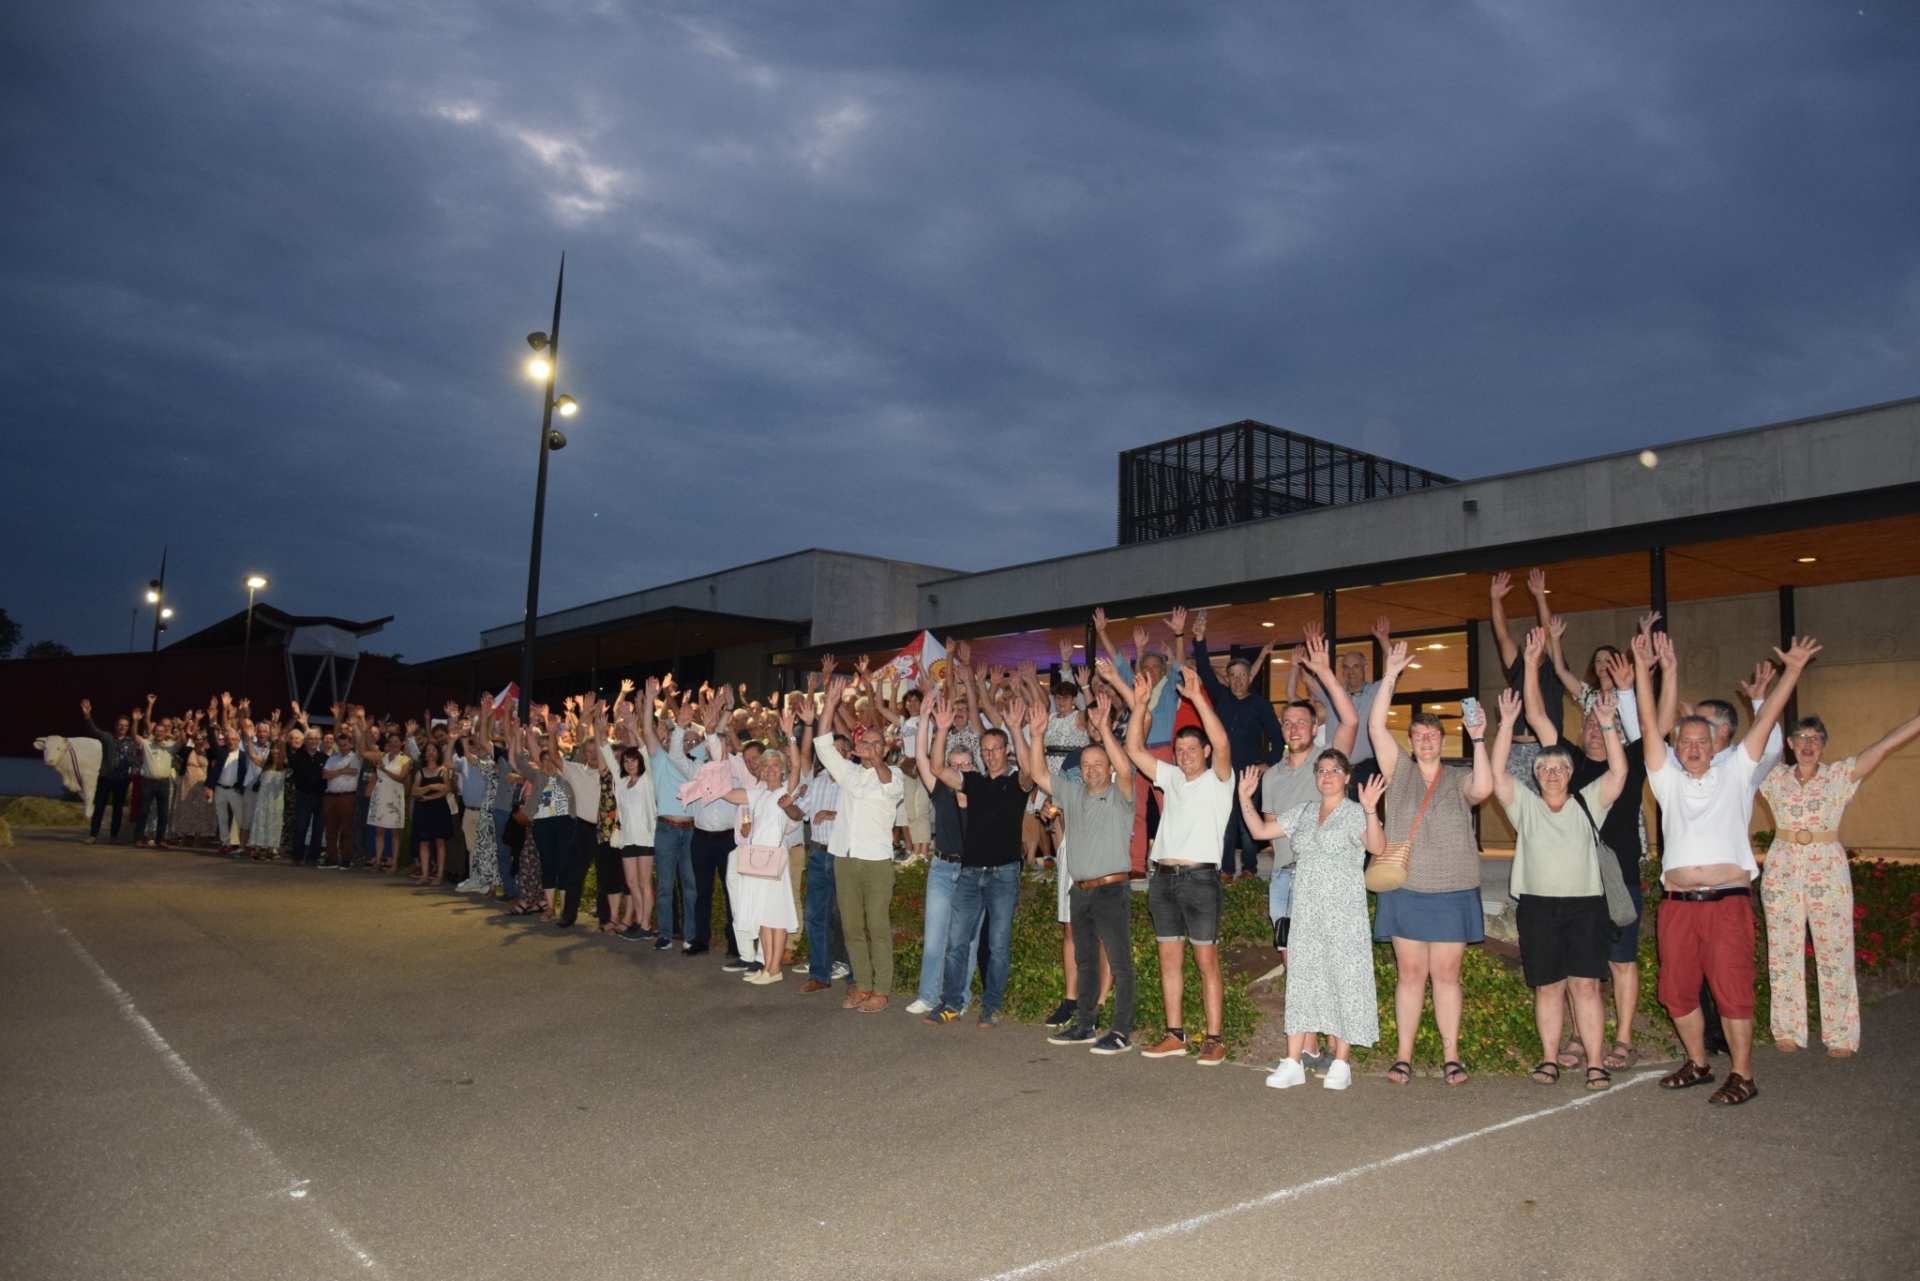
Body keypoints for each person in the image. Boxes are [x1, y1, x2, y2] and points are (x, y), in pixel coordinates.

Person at [1633, 629, 1819, 1106]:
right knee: (1676, 990)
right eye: (1685, 741)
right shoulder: (1666, 780)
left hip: (1727, 904)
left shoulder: (1736, 774)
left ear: (1717, 744)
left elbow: (1769, 720)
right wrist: (1645, 670)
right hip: (1677, 905)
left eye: (1702, 740)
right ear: (1676, 747)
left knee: (1732, 988)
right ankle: (1697, 1062)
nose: (1693, 747)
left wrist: (1793, 670)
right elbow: (1650, 727)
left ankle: (1743, 1075)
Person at [1491, 661, 1631, 1092]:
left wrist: (1608, 726)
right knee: (1548, 988)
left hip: (1585, 907)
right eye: (1544, 769)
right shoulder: (1525, 807)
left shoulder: (1588, 801)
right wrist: (1506, 724)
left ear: (1570, 775)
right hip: (1537, 907)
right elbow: (1496, 775)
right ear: (1535, 775)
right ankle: (1550, 1059)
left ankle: (1594, 1063)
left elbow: (1620, 773)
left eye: (1559, 769)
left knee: (1585, 986)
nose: (1552, 773)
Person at [1369, 639, 1495, 1086]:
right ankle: (1403, 1056)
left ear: (1443, 739)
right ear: (1412, 741)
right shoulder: (1398, 771)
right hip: (1406, 887)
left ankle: (1451, 1055)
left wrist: (1479, 737)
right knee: (1410, 975)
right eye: (1418, 735)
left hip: (1453, 888)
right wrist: (1391, 675)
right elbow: (1375, 726)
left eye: (1432, 735)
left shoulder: (1459, 777)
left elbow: (1485, 789)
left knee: (1446, 976)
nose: (1424, 741)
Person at [1758, 707, 1920, 1057]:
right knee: (1783, 951)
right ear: (1789, 743)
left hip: (1827, 873)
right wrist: (1758, 703)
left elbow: (1882, 747)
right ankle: (1787, 1028)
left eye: (1815, 739)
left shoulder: (1840, 776)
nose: (1808, 744)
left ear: (1825, 745)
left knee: (1836, 952)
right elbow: (1747, 747)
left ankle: (1841, 1035)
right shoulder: (1773, 778)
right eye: (1801, 737)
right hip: (1783, 869)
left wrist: (1917, 721)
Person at [1524, 644, 1650, 1072]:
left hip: (1620, 876)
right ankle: (1579, 1036)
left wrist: (1643, 681)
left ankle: (1624, 1038)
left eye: (1604, 726)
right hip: (1578, 884)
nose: (1596, 731)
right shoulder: (1569, 765)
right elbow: (1539, 718)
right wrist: (1530, 665)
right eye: (1590, 726)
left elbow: (1654, 726)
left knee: (1621, 962)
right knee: (1583, 968)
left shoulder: (1630, 761)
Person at [1238, 753, 1387, 1090]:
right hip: (1305, 913)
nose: (1328, 776)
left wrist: (1370, 809)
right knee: (1302, 981)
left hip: (1343, 915)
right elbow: (1261, 829)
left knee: (1343, 981)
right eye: (1322, 770)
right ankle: (1293, 1061)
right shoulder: (1304, 812)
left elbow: (1377, 846)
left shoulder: (1353, 813)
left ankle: (1341, 1063)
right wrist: (1246, 798)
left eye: (1336, 770)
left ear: (1347, 777)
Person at [1120, 664, 1235, 1065]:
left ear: (1203, 753)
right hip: (1163, 879)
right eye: (1180, 750)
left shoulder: (1220, 780)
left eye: (1192, 750)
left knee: (1206, 961)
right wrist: (1139, 706)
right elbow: (1134, 751)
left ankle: (1214, 1038)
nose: (1185, 756)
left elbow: (1221, 742)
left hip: (1201, 879)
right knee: (1169, 959)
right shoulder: (1169, 777)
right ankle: (1176, 1034)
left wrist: (1196, 696)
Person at [1258, 629, 1360, 1072]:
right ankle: (1311, 1047)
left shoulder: (1328, 762)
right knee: (1296, 965)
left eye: (1302, 722)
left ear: (1315, 728)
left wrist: (1321, 672)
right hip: (1284, 877)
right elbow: (1266, 832)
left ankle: (1338, 1054)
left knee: (1332, 961)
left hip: (1325, 879)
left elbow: (1352, 722)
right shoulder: (1270, 776)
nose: (1294, 728)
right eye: (1287, 723)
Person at [1029, 689, 1138, 1054]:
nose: (1092, 769)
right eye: (1086, 765)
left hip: (1111, 889)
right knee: (1086, 961)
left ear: (1107, 767)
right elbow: (1039, 772)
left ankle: (1121, 1031)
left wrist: (1104, 727)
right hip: (1080, 890)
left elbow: (1125, 767)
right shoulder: (1072, 795)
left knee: (1120, 962)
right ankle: (1086, 1025)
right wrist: (1036, 734)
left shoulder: (1122, 793)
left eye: (1098, 763)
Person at [805, 677, 904, 1012]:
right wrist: (829, 703)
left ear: (886, 750)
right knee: (851, 928)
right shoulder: (848, 773)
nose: (871, 747)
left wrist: (876, 759)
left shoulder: (894, 775)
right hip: (844, 858)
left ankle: (882, 989)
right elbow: (821, 744)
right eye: (867, 742)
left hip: (876, 861)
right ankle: (862, 985)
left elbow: (890, 787)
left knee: (876, 926)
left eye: (878, 744)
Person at [1190, 610, 1283, 878]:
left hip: (1249, 774)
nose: (1238, 679)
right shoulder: (1221, 697)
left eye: (1243, 674)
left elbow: (1278, 739)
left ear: (1248, 678)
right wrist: (1199, 639)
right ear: (1227, 678)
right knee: (1224, 822)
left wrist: (1269, 763)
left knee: (1246, 823)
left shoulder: (1261, 705)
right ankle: (1226, 869)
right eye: (1233, 675)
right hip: (1220, 772)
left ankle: (1250, 870)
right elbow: (1205, 670)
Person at [722, 718, 806, 982]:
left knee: (776, 915)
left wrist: (790, 735)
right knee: (765, 916)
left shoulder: (785, 790)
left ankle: (775, 968)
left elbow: (797, 766)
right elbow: (729, 794)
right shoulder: (757, 794)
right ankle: (768, 967)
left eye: (775, 765)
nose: (770, 769)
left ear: (782, 770)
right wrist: (709, 782)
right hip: (758, 860)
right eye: (766, 765)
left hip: (774, 859)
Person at [907, 710, 977, 1014]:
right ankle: (928, 995)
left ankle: (960, 997)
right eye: (954, 765)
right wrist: (928, 723)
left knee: (967, 943)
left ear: (975, 768)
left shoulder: (982, 792)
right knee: (935, 938)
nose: (959, 770)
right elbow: (922, 759)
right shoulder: (940, 791)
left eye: (965, 765)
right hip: (942, 869)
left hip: (972, 873)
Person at [1489, 571, 1567, 793]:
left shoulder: (1554, 670)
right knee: (1519, 811)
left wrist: (1540, 597)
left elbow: (1551, 635)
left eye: (1537, 640)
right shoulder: (1518, 668)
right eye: (1527, 640)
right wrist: (1495, 600)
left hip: (1544, 748)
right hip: (1514, 748)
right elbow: (1503, 636)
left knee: (1546, 807)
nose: (1531, 643)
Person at [640, 679, 697, 951]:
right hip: (666, 829)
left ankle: (690, 935)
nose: (687, 742)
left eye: (690, 740)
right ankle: (664, 933)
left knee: (690, 887)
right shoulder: (660, 758)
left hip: (691, 831)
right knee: (664, 885)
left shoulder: (697, 762)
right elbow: (648, 732)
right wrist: (651, 698)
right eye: (682, 737)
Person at [79, 699, 139, 845]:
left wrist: (134, 773)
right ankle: (93, 835)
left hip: (122, 779)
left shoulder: (131, 743)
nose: (122, 727)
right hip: (105, 777)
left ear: (128, 727)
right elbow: (93, 730)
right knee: (99, 807)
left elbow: (134, 760)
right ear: (116, 726)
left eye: (125, 726)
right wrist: (87, 715)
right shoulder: (107, 738)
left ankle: (114, 836)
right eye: (120, 725)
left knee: (118, 809)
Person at [129, 696, 178, 849]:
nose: (159, 733)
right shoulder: (146, 743)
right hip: (148, 782)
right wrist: (136, 721)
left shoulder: (170, 745)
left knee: (164, 812)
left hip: (164, 782)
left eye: (162, 731)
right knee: (143, 811)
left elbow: (182, 742)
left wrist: (182, 728)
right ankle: (139, 838)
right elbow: (134, 736)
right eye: (156, 731)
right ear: (154, 731)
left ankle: (161, 839)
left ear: (166, 731)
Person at [362, 727, 412, 873]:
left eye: (396, 741)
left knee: (395, 832)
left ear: (401, 743)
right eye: (391, 742)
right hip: (380, 795)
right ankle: (378, 861)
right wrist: (365, 730)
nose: (394, 744)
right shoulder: (382, 756)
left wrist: (384, 770)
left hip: (394, 796)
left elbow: (401, 778)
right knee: (379, 830)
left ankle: (394, 863)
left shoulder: (405, 759)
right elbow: (363, 752)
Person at [409, 741, 455, 885]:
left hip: (439, 807)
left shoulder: (443, 770)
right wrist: (431, 786)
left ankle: (439, 876)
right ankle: (424, 875)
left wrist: (429, 796)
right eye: (428, 750)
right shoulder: (420, 772)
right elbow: (414, 791)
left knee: (440, 842)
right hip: (423, 809)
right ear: (424, 754)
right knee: (423, 842)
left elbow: (446, 789)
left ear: (437, 753)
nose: (430, 752)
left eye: (433, 750)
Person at [321, 722, 363, 869]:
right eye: (340, 745)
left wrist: (356, 723)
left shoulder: (355, 758)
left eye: (345, 745)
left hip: (347, 797)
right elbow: (325, 775)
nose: (343, 747)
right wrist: (343, 771)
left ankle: (347, 858)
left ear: (350, 745)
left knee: (347, 829)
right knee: (330, 830)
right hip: (331, 797)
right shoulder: (332, 758)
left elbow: (361, 741)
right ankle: (331, 857)